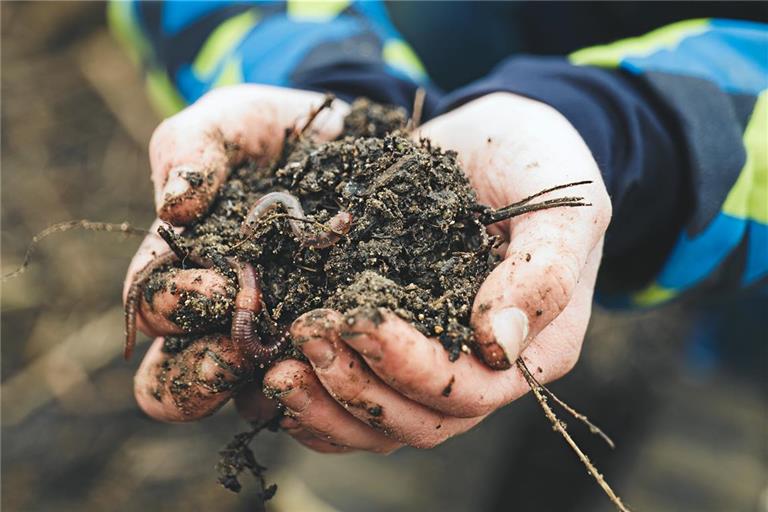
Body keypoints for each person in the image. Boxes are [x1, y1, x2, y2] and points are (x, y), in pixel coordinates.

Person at [112, 1, 767, 453]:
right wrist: (328, 80)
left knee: (741, 342)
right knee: (371, 369)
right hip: (428, 55)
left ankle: (723, 400)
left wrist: (639, 139)